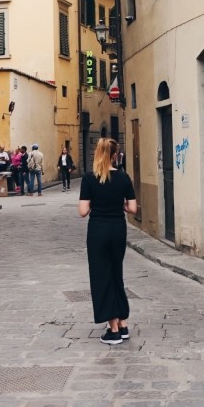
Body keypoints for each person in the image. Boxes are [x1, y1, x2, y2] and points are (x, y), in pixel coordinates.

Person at [78, 138, 137, 345]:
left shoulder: (89, 179)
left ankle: (112, 330)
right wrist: (118, 203)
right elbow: (132, 209)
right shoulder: (124, 178)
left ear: (98, 154)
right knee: (116, 272)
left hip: (98, 231)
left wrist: (97, 201)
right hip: (118, 230)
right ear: (114, 155)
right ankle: (123, 323)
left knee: (101, 276)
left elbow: (83, 212)